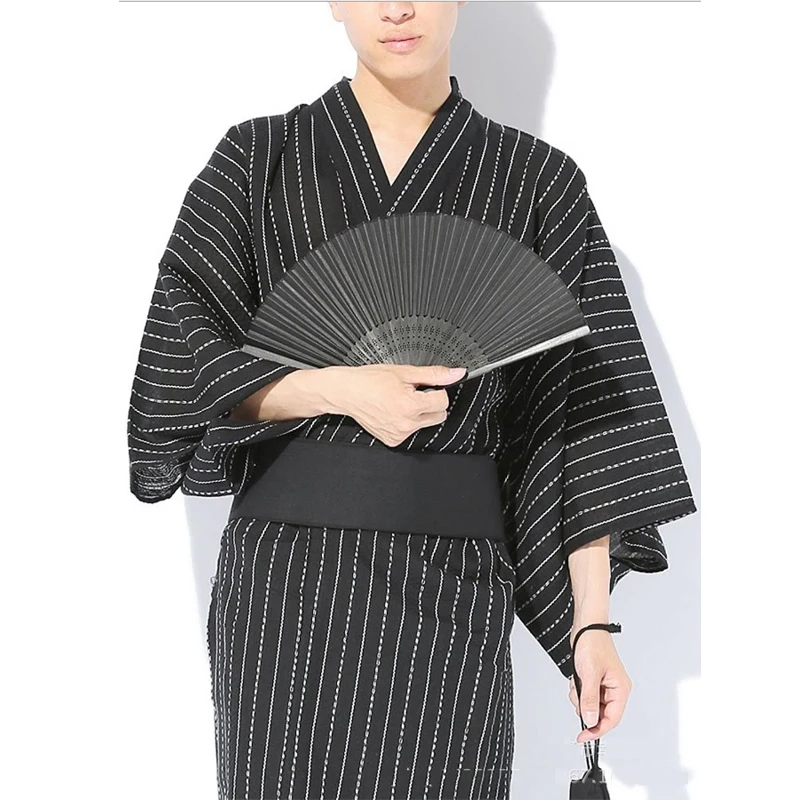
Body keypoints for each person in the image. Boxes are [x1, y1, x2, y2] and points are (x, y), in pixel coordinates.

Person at [126, 3, 697, 798]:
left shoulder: (538, 182)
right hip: (287, 588)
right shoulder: (258, 160)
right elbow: (183, 370)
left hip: (450, 586)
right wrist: (337, 389)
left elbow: (578, 423)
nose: (397, 8)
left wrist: (592, 624)